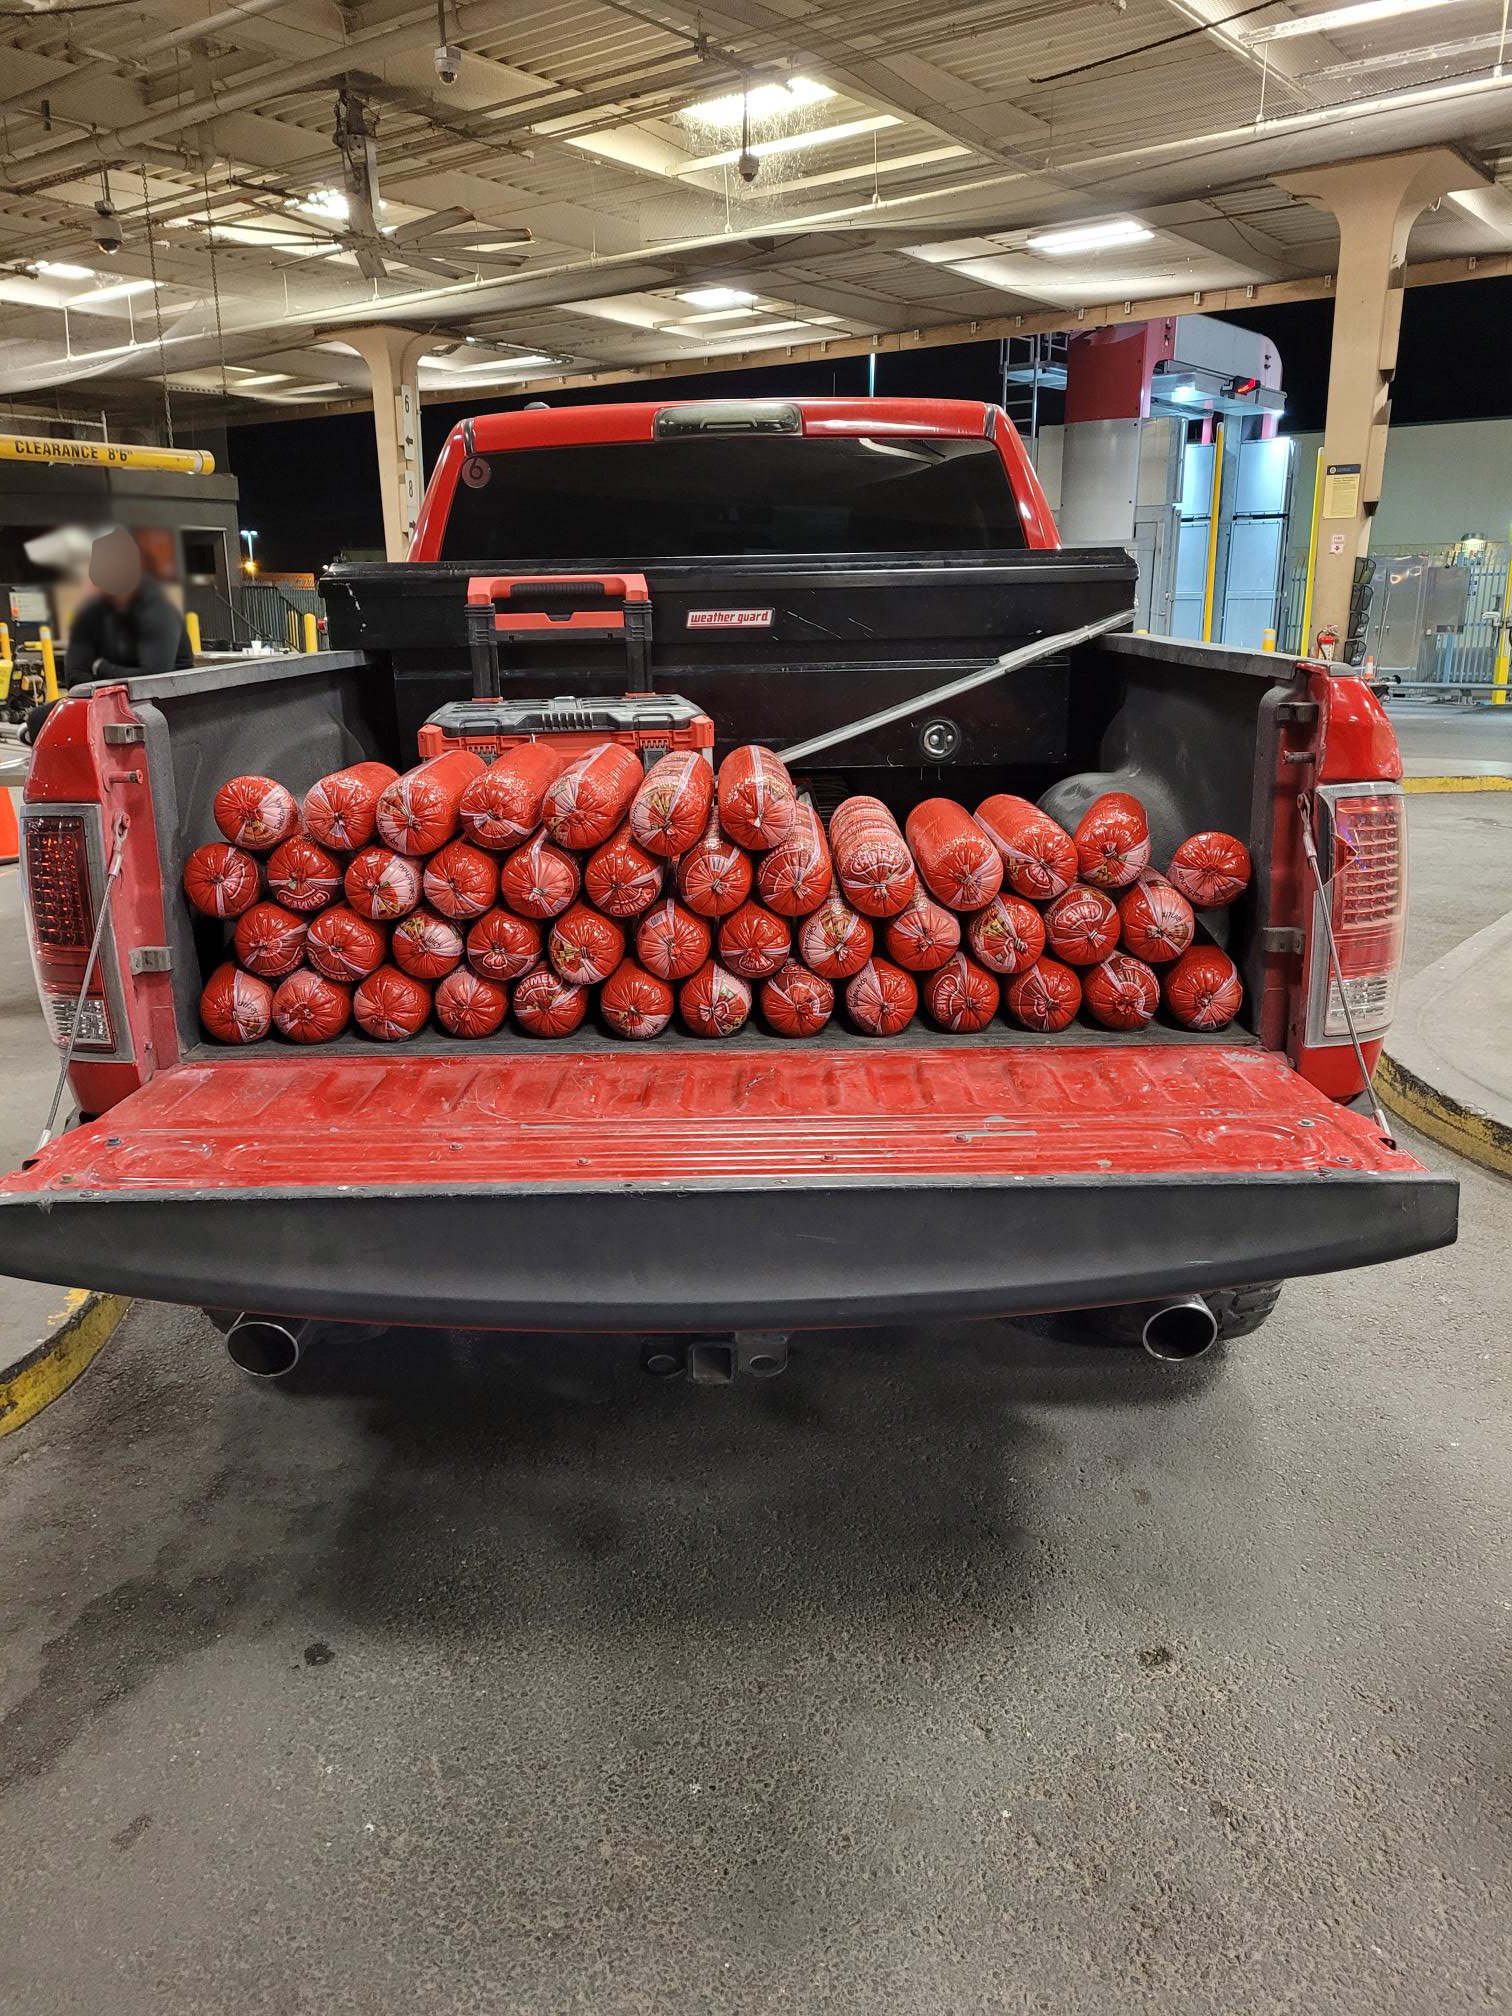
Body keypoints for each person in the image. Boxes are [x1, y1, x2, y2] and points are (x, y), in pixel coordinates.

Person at [24, 527, 193, 743]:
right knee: (40, 720)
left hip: (160, 704)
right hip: (106, 699)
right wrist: (106, 679)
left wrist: (100, 668)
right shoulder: (92, 613)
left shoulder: (158, 610)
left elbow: (151, 678)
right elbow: (75, 676)